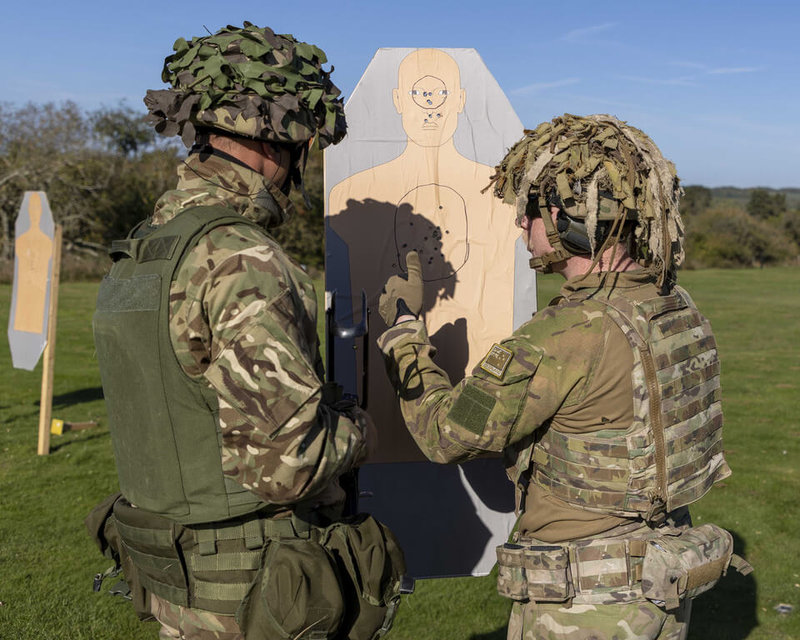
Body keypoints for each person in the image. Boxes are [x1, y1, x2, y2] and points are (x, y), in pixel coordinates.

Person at [377, 114, 751, 639]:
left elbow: (446, 435)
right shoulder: (671, 305)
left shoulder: (568, 333)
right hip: (658, 584)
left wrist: (403, 333)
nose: (519, 227)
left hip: (586, 604)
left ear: (566, 217)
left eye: (529, 211)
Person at [88, 23, 404, 640]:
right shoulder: (241, 259)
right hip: (257, 596)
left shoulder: (145, 251)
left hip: (176, 582)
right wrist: (364, 426)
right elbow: (288, 464)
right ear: (279, 142)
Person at [328, 48, 520, 462]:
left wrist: (400, 321)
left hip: (463, 426)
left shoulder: (501, 196)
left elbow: (451, 436)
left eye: (440, 93)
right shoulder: (349, 193)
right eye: (419, 93)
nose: (430, 106)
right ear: (398, 99)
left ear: (461, 100)